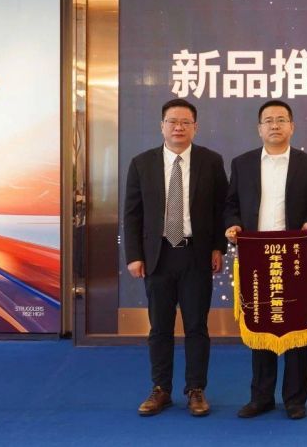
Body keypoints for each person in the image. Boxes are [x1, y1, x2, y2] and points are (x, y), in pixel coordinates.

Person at [124, 98, 228, 417]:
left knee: (196, 326)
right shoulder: (142, 163)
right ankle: (161, 389)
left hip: (196, 255)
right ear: (162, 126)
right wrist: (134, 255)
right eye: (172, 121)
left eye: (185, 122)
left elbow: (221, 209)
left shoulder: (211, 161)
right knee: (160, 327)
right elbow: (132, 214)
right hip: (157, 257)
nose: (178, 127)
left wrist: (218, 248)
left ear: (195, 127)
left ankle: (195, 389)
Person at [224, 99, 307, 420]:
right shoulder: (242, 163)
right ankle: (261, 397)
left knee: (296, 326)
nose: (275, 125)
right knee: (261, 324)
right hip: (255, 255)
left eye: (281, 120)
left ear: (292, 127)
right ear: (259, 129)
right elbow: (231, 204)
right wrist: (233, 224)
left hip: (294, 255)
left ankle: (295, 399)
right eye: (268, 120)